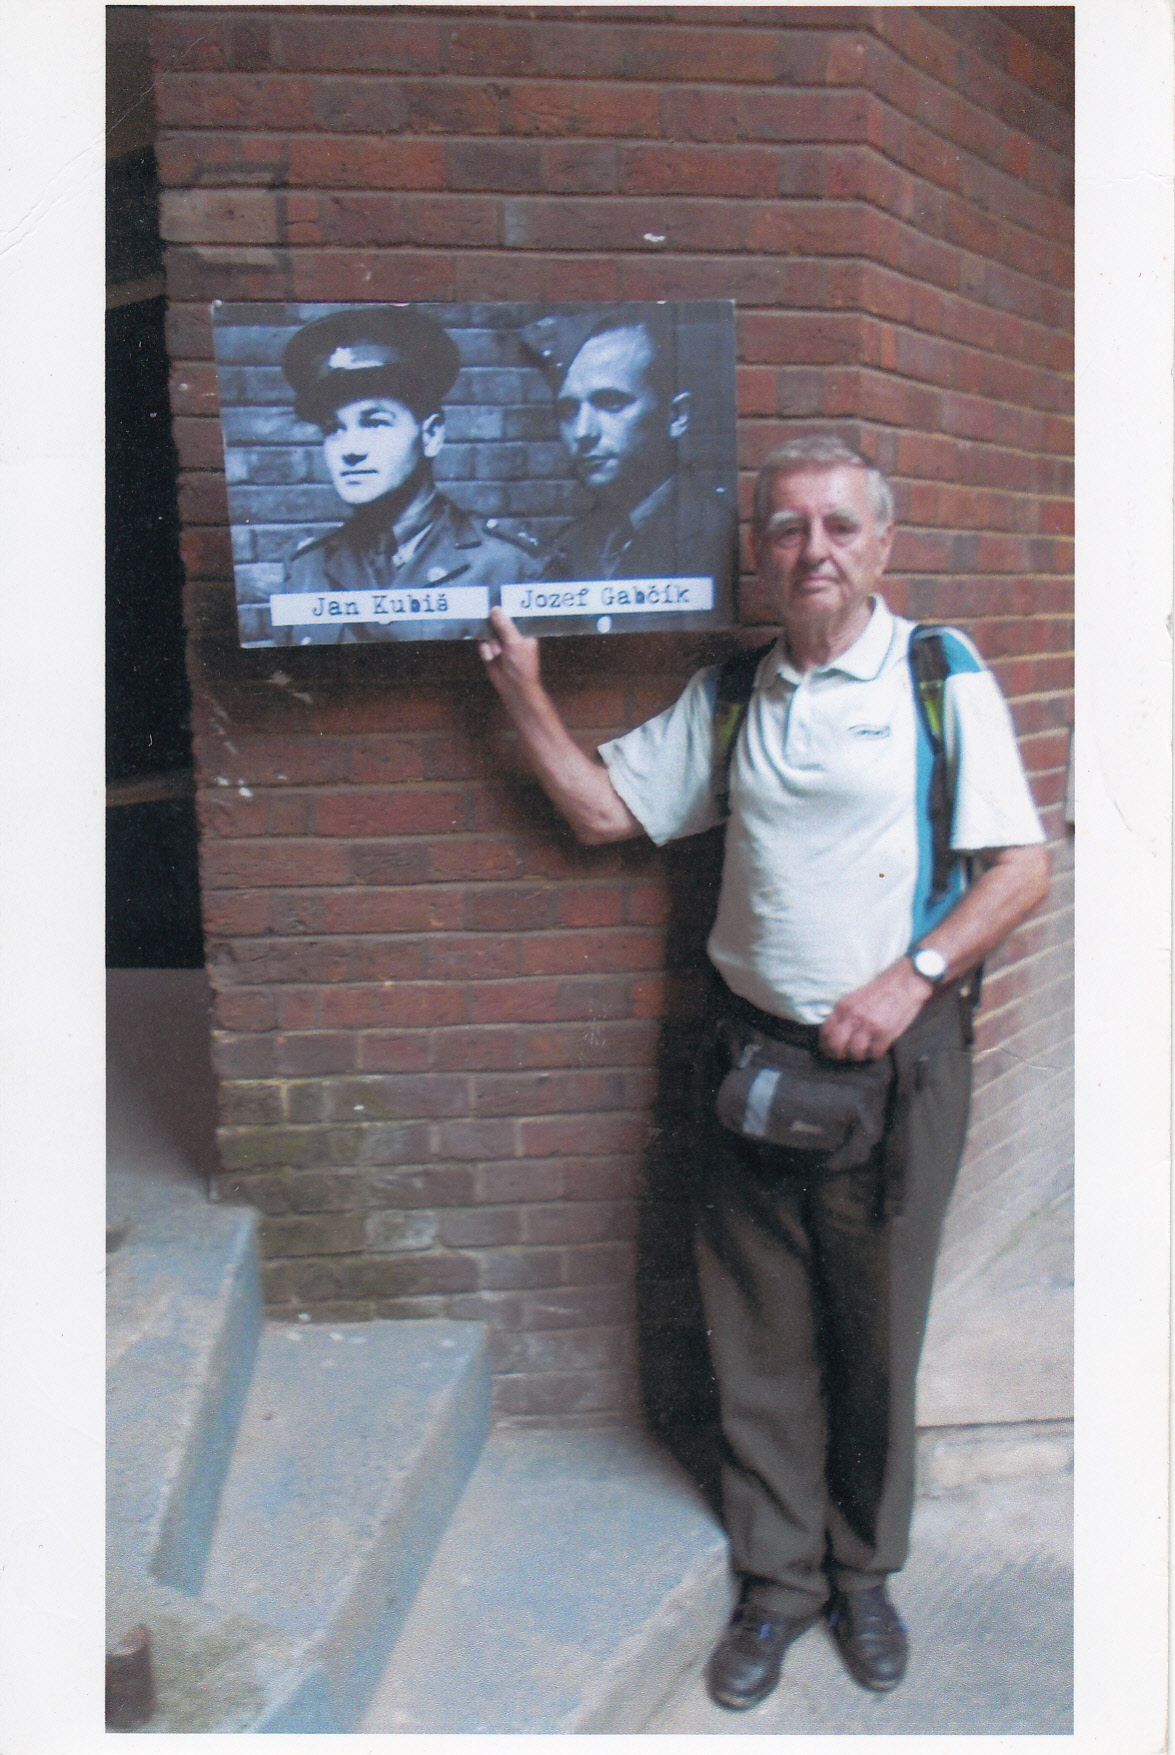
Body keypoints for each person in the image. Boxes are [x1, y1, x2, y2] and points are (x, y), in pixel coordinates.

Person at [478, 434, 1049, 1711]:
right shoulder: (734, 692)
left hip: (896, 1073)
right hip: (751, 1060)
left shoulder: (937, 675)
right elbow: (601, 811)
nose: (813, 551)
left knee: (874, 1334)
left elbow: (1020, 869)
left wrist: (909, 977)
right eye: (786, 528)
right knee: (758, 1338)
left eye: (839, 526)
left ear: (882, 544)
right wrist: (521, 692)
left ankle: (864, 1576)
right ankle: (779, 1586)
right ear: (758, 550)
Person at [275, 305, 542, 643]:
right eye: (333, 429)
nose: (350, 449)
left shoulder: (508, 565)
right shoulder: (304, 571)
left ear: (431, 435)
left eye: (375, 423)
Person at [519, 305, 736, 590]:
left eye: (611, 402)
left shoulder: (721, 537)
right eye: (569, 410)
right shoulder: (567, 548)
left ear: (677, 416)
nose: (583, 432)